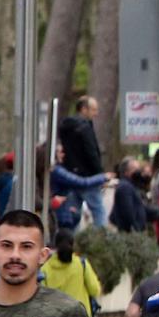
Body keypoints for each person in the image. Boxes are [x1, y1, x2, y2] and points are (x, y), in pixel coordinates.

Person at [57, 96, 107, 227]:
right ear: (84, 109)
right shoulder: (85, 128)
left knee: (73, 213)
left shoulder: (65, 127)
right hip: (88, 176)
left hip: (70, 175)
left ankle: (70, 241)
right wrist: (100, 174)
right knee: (99, 212)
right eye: (93, 110)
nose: (96, 114)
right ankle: (102, 241)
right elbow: (91, 152)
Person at [41, 228, 103, 317]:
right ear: (73, 244)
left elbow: (42, 299)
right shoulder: (82, 264)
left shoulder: (45, 269)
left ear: (55, 245)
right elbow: (95, 290)